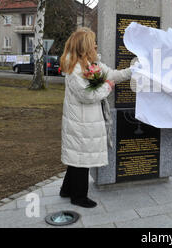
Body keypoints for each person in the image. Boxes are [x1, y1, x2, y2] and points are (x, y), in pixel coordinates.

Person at [59, 27, 132, 208]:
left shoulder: (91, 64)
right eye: (93, 43)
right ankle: (78, 196)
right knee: (82, 159)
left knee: (78, 157)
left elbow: (113, 74)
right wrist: (107, 87)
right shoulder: (74, 69)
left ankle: (67, 189)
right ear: (85, 47)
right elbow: (87, 95)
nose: (96, 46)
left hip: (87, 120)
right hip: (80, 122)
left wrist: (133, 70)